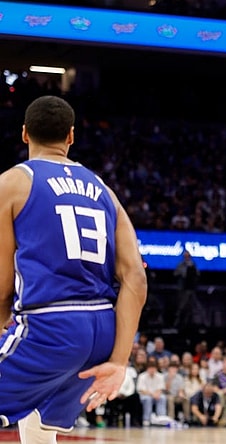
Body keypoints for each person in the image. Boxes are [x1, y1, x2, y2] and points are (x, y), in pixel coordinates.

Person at [0, 95, 147, 442]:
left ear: (24, 134)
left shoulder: (12, 183)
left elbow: (3, 284)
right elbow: (136, 279)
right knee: (37, 426)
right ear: (70, 136)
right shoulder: (104, 191)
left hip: (50, 324)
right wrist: (119, 361)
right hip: (100, 331)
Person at [173, 251, 199, 327]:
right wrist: (182, 273)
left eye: (188, 256)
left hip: (191, 288)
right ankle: (177, 322)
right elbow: (175, 273)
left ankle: (191, 323)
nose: (186, 257)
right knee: (181, 306)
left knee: (193, 306)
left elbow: (197, 274)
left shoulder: (193, 265)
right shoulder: (180, 264)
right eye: (185, 256)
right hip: (182, 288)